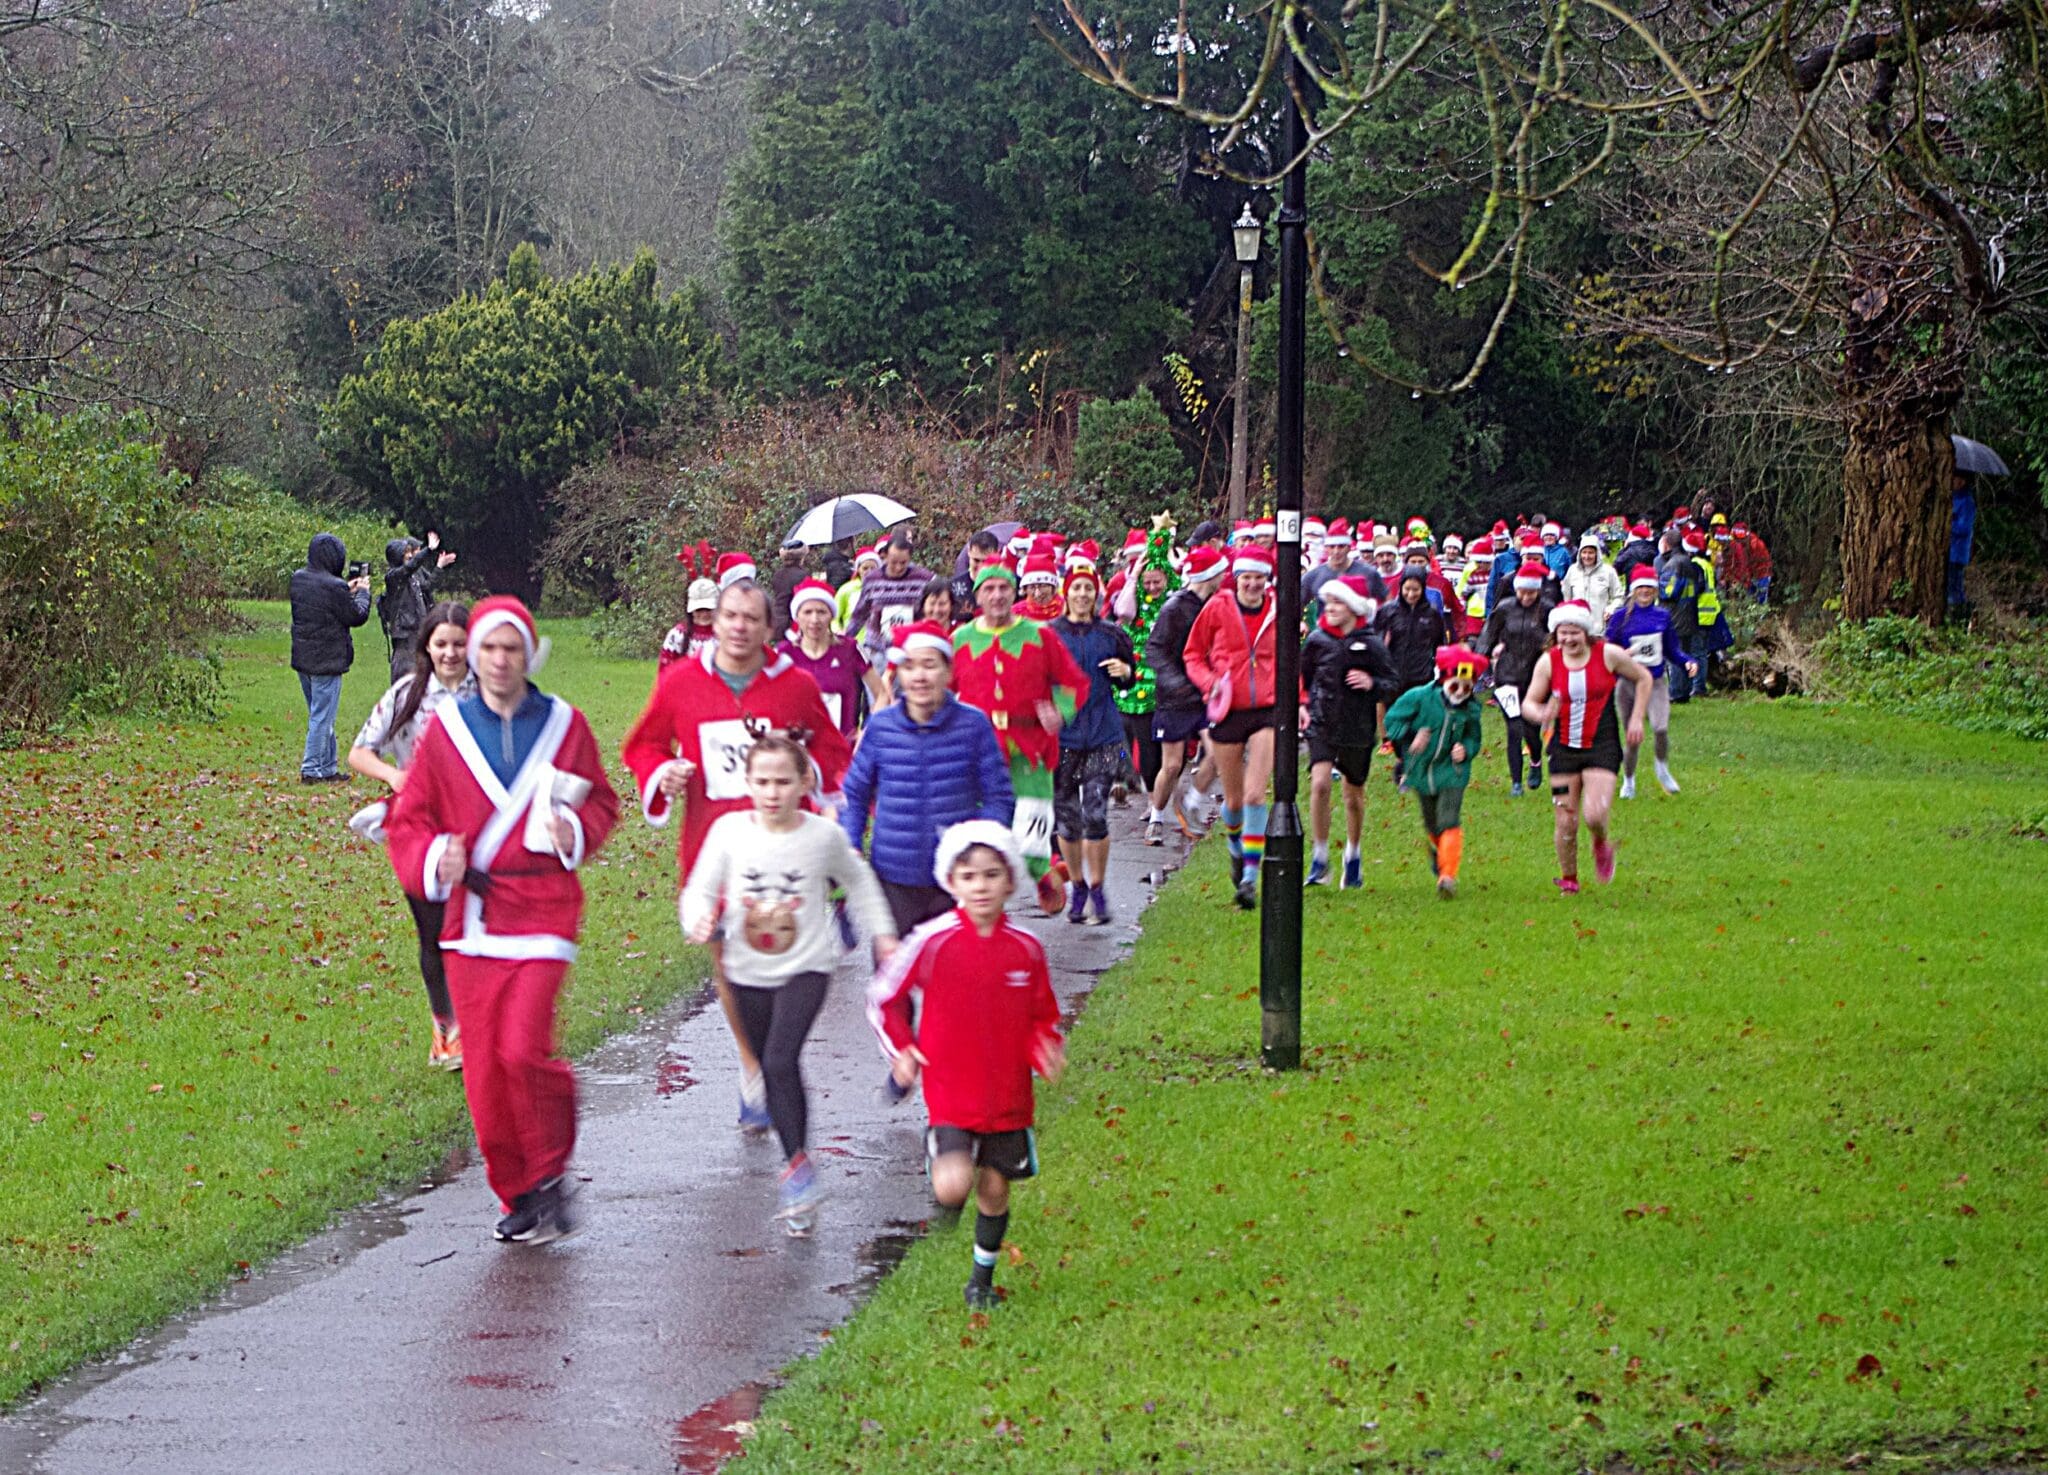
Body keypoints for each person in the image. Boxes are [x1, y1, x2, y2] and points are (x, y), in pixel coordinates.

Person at [384, 597, 620, 1243]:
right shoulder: (446, 733)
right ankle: (517, 1190)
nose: (497, 660)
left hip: (544, 908)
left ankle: (550, 1169)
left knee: (522, 1049)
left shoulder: (565, 726)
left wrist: (570, 827)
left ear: (529, 653)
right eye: (487, 648)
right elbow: (408, 821)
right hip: (472, 920)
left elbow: (602, 802)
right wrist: (437, 856)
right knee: (485, 1073)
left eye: (510, 647)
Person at [623, 576, 853, 1134]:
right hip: (712, 842)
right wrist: (663, 772)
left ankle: (773, 1054)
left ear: (771, 628)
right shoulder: (681, 683)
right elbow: (643, 745)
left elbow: (831, 748)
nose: (739, 627)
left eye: (752, 618)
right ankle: (755, 1069)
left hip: (783, 842)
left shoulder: (793, 685)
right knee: (729, 959)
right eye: (730, 616)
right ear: (715, 620)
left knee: (776, 958)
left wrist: (813, 782)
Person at [683, 734, 896, 1236]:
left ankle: (797, 1171)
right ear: (748, 782)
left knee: (780, 1060)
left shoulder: (820, 837)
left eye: (783, 781)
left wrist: (883, 933)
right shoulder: (729, 832)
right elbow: (701, 887)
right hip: (744, 970)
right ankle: (797, 1162)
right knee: (768, 1066)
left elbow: (859, 878)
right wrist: (696, 920)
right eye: (762, 782)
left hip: (807, 967)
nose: (773, 792)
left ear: (805, 782)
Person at [869, 821, 1064, 1310]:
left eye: (992, 875)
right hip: (951, 1089)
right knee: (955, 1184)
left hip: (1008, 1096)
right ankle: (944, 1172)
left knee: (995, 1190)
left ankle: (980, 1279)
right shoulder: (931, 941)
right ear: (951, 882)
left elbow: (1043, 1014)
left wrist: (1044, 1045)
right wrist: (903, 1050)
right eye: (969, 876)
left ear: (1009, 882)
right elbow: (883, 996)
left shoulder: (1026, 948)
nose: (981, 886)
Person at [348, 600, 475, 1068]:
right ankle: (445, 1030)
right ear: (426, 646)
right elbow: (359, 753)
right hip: (417, 830)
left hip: (478, 825)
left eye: (459, 644)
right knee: (433, 931)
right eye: (441, 644)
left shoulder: (488, 691)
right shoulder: (406, 694)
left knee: (476, 925)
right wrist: (394, 778)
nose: (450, 653)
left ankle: (476, 1024)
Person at [842, 621, 1014, 938]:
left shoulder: (974, 725)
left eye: (929, 665)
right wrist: (852, 842)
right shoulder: (881, 728)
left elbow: (999, 797)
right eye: (909, 666)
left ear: (948, 672)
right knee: (894, 978)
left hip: (955, 881)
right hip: (893, 878)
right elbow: (855, 793)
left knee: (954, 980)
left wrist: (983, 849)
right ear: (898, 674)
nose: (919, 676)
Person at [951, 560, 1090, 913]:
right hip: (979, 750)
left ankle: (1042, 873)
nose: (997, 595)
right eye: (989, 589)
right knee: (981, 830)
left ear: (1014, 592)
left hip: (1032, 749)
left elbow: (1074, 683)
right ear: (978, 596)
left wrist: (1060, 711)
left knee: (1031, 834)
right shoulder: (961, 640)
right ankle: (980, 904)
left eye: (1003, 588)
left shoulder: (1039, 635)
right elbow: (939, 688)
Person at [1519, 600, 1653, 896]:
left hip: (1601, 746)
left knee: (1593, 815)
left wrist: (1636, 719)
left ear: (1587, 632)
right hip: (1562, 750)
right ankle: (1570, 879)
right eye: (1563, 633)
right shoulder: (1548, 662)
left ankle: (1600, 843)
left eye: (1574, 633)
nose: (1568, 639)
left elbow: (1643, 678)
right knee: (1565, 819)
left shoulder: (1608, 655)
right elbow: (1528, 703)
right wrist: (1540, 713)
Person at [1183, 544, 1280, 910]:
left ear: (1266, 580)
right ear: (1236, 578)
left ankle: (1251, 879)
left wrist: (1298, 701)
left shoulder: (1277, 610)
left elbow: (1291, 658)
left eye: (1259, 577)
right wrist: (1210, 683)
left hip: (1266, 709)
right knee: (1235, 800)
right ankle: (1236, 849)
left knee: (1257, 794)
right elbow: (1192, 654)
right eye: (1247, 577)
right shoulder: (1217, 608)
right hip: (1226, 709)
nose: (1253, 584)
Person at [1048, 559, 1137, 925]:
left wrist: (1126, 672)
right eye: (1076, 588)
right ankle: (1079, 886)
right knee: (1068, 822)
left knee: (1096, 815)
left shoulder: (1112, 635)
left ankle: (1098, 889)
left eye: (1088, 588)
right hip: (1063, 738)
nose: (1083, 594)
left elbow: (1129, 680)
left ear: (1097, 592)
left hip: (1102, 734)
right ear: (1065, 593)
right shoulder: (1049, 635)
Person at [1300, 575, 1394, 889]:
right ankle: (1320, 856)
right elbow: (1302, 678)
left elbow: (1392, 682)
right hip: (1323, 722)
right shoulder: (1317, 640)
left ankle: (1353, 856)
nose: (1332, 608)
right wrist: (1303, 706)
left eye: (1339, 602)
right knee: (1321, 783)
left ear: (1354, 607)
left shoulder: (1371, 643)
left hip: (1358, 728)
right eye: (1329, 602)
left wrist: (1372, 684)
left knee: (1353, 796)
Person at [1383, 645, 1488, 899]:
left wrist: (1467, 749)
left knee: (1448, 819)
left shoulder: (1471, 709)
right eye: (1456, 686)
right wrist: (1410, 736)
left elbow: (1474, 738)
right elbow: (1392, 720)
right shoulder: (1419, 697)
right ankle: (1440, 856)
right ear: (1444, 680)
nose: (1461, 692)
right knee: (1432, 822)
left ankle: (1447, 876)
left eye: (1467, 687)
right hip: (1420, 770)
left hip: (1453, 772)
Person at [1144, 545, 1226, 839]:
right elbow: (1153, 650)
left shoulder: (1216, 603)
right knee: (1173, 765)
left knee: (1218, 755)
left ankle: (1191, 805)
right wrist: (1175, 681)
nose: (1225, 576)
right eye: (1221, 572)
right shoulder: (1175, 607)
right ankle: (1156, 816)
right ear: (1211, 575)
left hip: (1206, 695)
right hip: (1176, 699)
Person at [289, 532, 373, 783]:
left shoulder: (298, 579)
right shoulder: (334, 586)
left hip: (304, 657)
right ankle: (311, 768)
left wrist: (347, 589)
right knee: (322, 717)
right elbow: (356, 615)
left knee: (322, 715)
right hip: (327, 659)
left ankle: (327, 767)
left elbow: (322, 599)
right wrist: (363, 593)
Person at [1112, 530, 1176, 844]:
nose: (1151, 588)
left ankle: (1159, 806)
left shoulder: (1175, 601)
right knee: (1147, 753)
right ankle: (1155, 805)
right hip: (1139, 686)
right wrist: (1134, 576)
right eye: (1147, 582)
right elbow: (1122, 613)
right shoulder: (1135, 596)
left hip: (1170, 686)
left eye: (1156, 582)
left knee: (1169, 756)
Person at [1605, 565, 1691, 798]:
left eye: (1649, 588)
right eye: (1640, 587)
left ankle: (1662, 768)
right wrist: (1624, 656)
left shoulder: (1662, 616)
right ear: (1633, 590)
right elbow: (1607, 649)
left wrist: (1687, 662)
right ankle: (1629, 781)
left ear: (1655, 591)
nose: (1645, 591)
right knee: (1633, 736)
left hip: (1655, 681)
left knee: (1660, 728)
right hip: (1627, 683)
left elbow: (1672, 649)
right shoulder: (1621, 617)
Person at [1478, 560, 1555, 797]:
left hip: (1535, 678)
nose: (1527, 596)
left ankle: (1535, 759)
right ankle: (1516, 783)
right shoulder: (1504, 608)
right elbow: (1486, 638)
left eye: (1532, 592)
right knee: (1514, 728)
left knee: (1531, 730)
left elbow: (1555, 641)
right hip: (1507, 676)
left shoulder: (1547, 609)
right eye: (1522, 591)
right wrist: (1476, 666)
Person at [778, 578, 884, 743]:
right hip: (798, 754)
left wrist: (868, 732)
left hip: (843, 752)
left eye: (821, 612)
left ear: (831, 615)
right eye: (807, 612)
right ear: (796, 616)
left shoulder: (850, 649)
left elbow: (881, 693)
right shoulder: (784, 653)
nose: (815, 619)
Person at [847, 533, 936, 670]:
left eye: (903, 563)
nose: (899, 567)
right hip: (877, 649)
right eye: (894, 562)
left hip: (910, 650)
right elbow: (860, 613)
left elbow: (935, 605)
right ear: (885, 557)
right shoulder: (872, 579)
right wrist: (846, 639)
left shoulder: (923, 578)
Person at [1375, 564, 1451, 718]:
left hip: (1421, 674)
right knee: (1394, 716)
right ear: (1401, 587)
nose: (1410, 594)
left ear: (1423, 589)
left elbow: (1439, 643)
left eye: (1415, 590)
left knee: (1418, 716)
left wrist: (1440, 668)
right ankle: (1389, 741)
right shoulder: (1388, 611)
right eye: (1407, 589)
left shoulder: (1432, 613)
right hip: (1394, 673)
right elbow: (1377, 640)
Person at [379, 532, 457, 682]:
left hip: (416, 633)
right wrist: (428, 550)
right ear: (397, 556)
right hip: (405, 637)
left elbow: (426, 586)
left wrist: (439, 567)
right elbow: (410, 567)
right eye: (406, 553)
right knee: (405, 678)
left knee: (421, 678)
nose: (409, 556)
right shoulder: (394, 577)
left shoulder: (410, 578)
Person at [1655, 528, 1704, 705]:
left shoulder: (1673, 564)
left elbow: (1669, 591)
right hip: (1688, 614)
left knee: (1673, 656)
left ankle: (1675, 692)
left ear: (1666, 543)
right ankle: (1684, 691)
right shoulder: (1688, 561)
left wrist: (1655, 585)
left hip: (1674, 615)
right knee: (1686, 654)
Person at [1684, 528, 1731, 696]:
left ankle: (1698, 687)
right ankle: (1700, 685)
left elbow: (1696, 589)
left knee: (1697, 652)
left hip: (1699, 614)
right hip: (1710, 613)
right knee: (1702, 652)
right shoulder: (1706, 564)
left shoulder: (1695, 565)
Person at [1562, 533, 1623, 627]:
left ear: (1597, 553)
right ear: (1579, 553)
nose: (1587, 556)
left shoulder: (1608, 571)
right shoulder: (1572, 570)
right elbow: (1566, 597)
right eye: (1584, 552)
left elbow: (1619, 597)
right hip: (1577, 627)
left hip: (1600, 627)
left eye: (1590, 552)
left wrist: (1611, 609)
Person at [660, 579, 720, 670]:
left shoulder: (726, 635)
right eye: (699, 609)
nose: (704, 614)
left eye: (708, 609)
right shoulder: (677, 635)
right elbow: (665, 673)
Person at [950, 530, 1003, 617]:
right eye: (976, 560)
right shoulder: (954, 586)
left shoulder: (1008, 586)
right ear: (969, 552)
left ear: (998, 553)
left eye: (986, 561)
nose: (981, 567)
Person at [1949, 473, 1977, 622]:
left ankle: (1960, 619)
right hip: (1949, 551)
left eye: (1956, 479)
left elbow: (1965, 528)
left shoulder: (1967, 501)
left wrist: (1948, 523)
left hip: (1957, 552)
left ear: (1962, 481)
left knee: (1954, 588)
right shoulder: (1952, 497)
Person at [836, 545, 880, 631]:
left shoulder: (885, 589)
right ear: (858, 569)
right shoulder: (846, 589)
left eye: (873, 568)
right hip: (853, 642)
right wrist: (838, 632)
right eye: (865, 568)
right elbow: (833, 616)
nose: (869, 572)